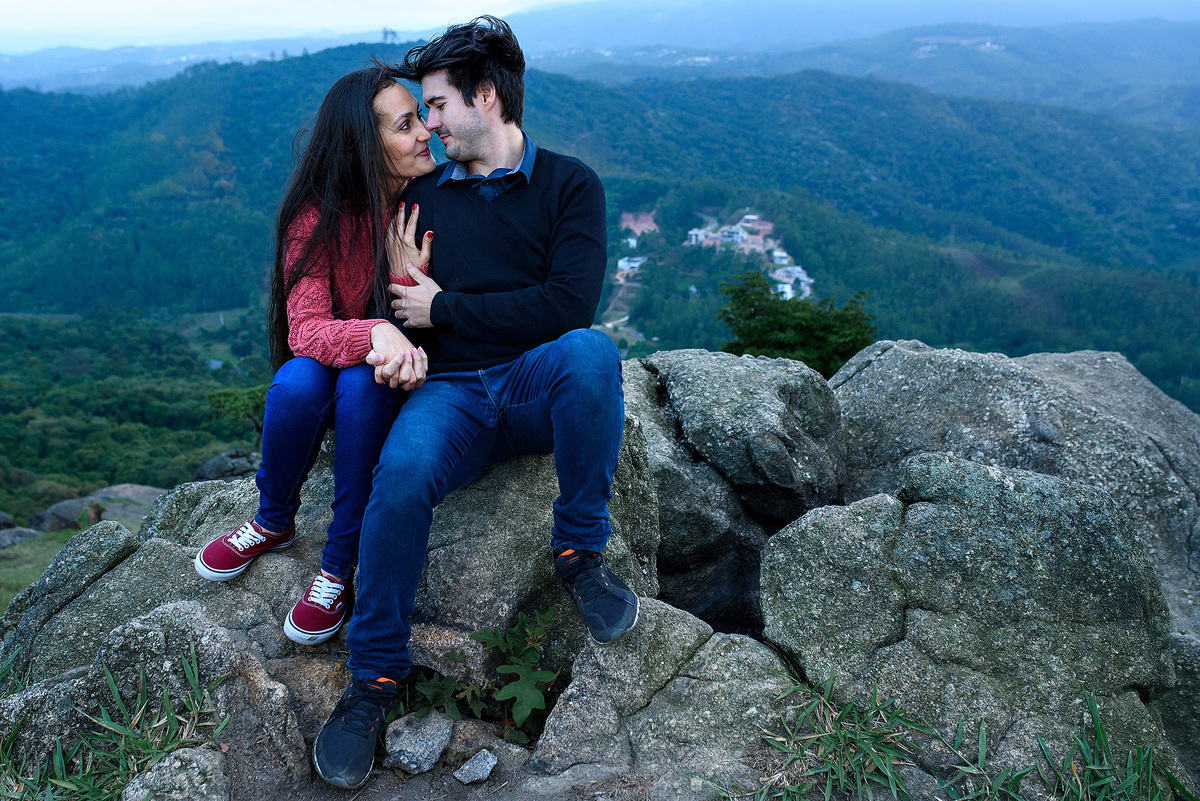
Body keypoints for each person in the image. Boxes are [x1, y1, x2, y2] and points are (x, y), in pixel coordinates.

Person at [311, 16, 639, 789]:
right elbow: (399, 314)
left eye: (435, 106)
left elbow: (567, 308)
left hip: (532, 385)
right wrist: (403, 316)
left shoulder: (570, 185)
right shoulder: (420, 198)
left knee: (592, 354)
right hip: (450, 392)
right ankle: (374, 682)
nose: (427, 125)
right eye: (420, 111)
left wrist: (447, 307)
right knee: (402, 477)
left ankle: (578, 553)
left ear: (485, 98)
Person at [193, 63, 434, 647]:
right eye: (406, 125)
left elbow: (439, 323)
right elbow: (305, 330)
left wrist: (409, 281)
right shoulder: (317, 219)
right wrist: (374, 330)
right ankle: (272, 519)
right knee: (298, 380)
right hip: (339, 369)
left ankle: (338, 563)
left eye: (422, 117)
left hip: (404, 382)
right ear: (364, 145)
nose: (426, 132)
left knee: (360, 383)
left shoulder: (433, 203)